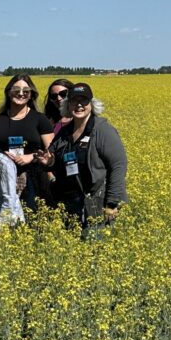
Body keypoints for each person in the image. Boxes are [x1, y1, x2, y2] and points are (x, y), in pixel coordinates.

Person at [48, 83, 127, 230]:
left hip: (96, 202)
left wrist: (112, 202)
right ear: (68, 105)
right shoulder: (64, 132)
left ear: (91, 103)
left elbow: (118, 165)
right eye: (74, 101)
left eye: (83, 101)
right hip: (70, 202)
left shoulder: (102, 130)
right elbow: (53, 159)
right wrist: (48, 161)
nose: (79, 105)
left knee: (95, 246)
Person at [0, 74, 54, 210]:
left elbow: (51, 150)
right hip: (4, 178)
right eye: (16, 90)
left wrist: (31, 156)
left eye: (26, 91)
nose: (21, 93)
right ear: (8, 92)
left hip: (34, 179)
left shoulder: (40, 119)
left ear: (31, 95)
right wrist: (3, 156)